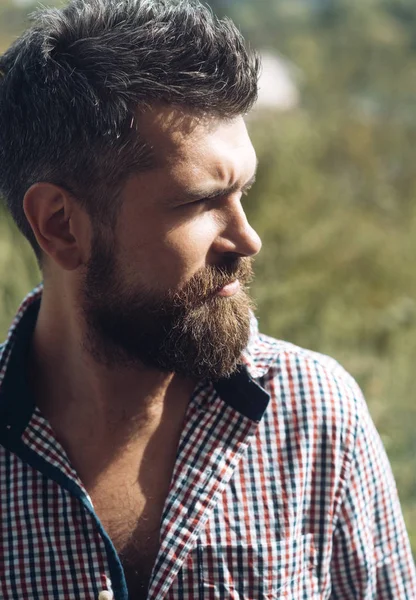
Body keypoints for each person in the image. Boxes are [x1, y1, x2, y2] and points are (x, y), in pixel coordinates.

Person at [0, 0, 415, 598]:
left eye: (243, 191)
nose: (248, 238)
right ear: (61, 225)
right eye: (199, 201)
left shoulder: (317, 417)